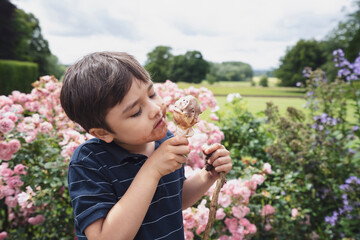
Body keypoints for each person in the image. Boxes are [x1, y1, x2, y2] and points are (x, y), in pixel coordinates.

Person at [60, 51, 232, 240]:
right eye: (135, 112)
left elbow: (175, 199)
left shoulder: (165, 141)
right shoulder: (89, 162)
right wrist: (151, 170)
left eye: (151, 94)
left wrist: (208, 174)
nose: (155, 109)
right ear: (103, 132)